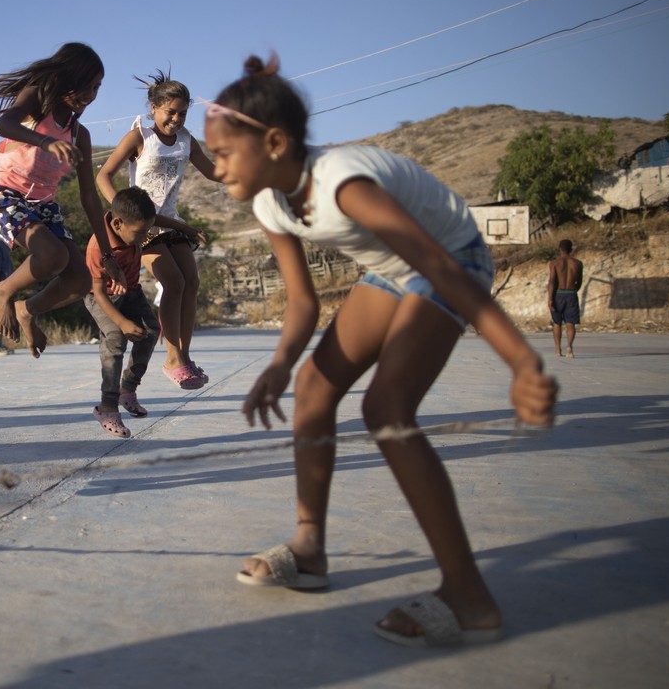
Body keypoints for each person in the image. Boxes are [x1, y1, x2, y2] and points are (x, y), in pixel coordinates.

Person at [204, 55, 557, 648]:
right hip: (391, 273)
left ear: (272, 142)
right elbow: (301, 303)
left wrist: (522, 363)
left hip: (451, 258)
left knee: (387, 409)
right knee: (315, 389)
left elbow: (440, 266)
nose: (214, 170)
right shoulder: (269, 200)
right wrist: (280, 365)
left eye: (221, 153)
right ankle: (310, 550)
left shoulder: (344, 183)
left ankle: (469, 596)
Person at [0, 42, 127, 358]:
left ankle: (27, 310)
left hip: (43, 207)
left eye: (97, 87)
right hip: (6, 197)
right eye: (87, 85)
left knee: (80, 278)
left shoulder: (79, 135)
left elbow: (90, 197)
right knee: (53, 255)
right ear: (66, 79)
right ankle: (2, 290)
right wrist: (44, 141)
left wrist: (109, 256)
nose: (92, 95)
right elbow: (3, 124)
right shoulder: (36, 103)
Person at [97, 70, 220, 391]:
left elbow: (213, 172)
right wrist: (125, 210)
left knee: (191, 281)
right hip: (143, 224)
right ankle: (173, 358)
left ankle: (184, 357)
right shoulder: (141, 137)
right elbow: (103, 177)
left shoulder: (186, 142)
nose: (176, 119)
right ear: (153, 107)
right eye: (170, 112)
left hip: (169, 221)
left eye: (182, 113)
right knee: (174, 281)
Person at [83, 187, 161, 437]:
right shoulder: (99, 246)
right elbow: (98, 292)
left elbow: (154, 224)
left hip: (132, 291)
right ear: (117, 223)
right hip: (100, 296)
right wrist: (122, 322)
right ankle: (107, 407)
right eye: (140, 233)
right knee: (116, 338)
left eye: (147, 231)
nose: (143, 237)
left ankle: (128, 388)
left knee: (151, 331)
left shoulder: (133, 228)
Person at [548, 239, 583, 358]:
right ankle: (569, 348)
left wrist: (550, 299)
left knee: (557, 323)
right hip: (571, 293)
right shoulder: (578, 263)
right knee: (570, 323)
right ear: (571, 249)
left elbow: (552, 281)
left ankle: (558, 350)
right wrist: (572, 290)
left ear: (560, 249)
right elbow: (579, 282)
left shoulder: (554, 263)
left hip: (558, 293)